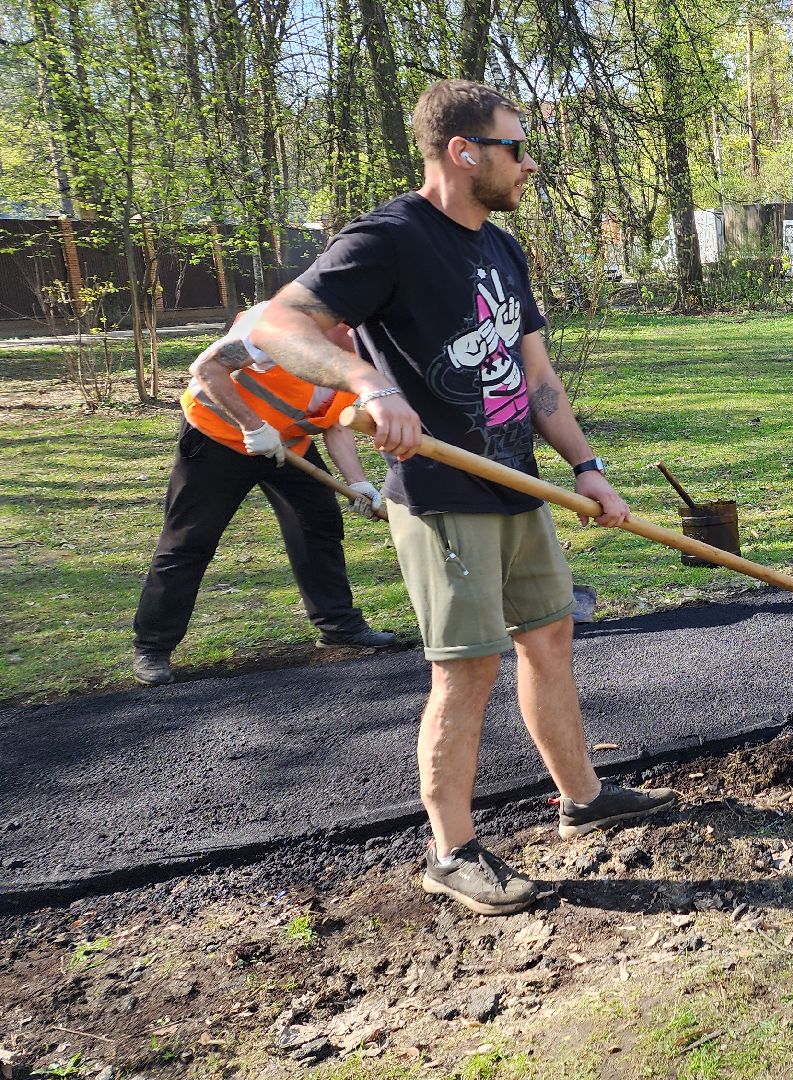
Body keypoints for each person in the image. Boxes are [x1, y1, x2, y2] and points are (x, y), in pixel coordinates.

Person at [251, 79, 677, 916]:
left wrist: (587, 466)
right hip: (441, 494)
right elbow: (276, 324)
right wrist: (371, 386)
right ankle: (450, 853)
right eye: (516, 147)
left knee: (550, 638)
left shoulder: (503, 251)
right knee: (467, 667)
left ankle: (583, 799)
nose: (530, 164)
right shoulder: (389, 239)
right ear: (463, 151)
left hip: (518, 484)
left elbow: (536, 375)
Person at [132, 304, 395, 686]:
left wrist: (357, 482)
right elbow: (206, 369)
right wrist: (253, 427)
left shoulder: (358, 356)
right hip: (218, 435)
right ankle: (152, 647)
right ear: (340, 321)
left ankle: (338, 626)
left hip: (288, 445)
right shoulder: (279, 324)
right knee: (190, 540)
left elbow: (334, 422)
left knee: (318, 524)